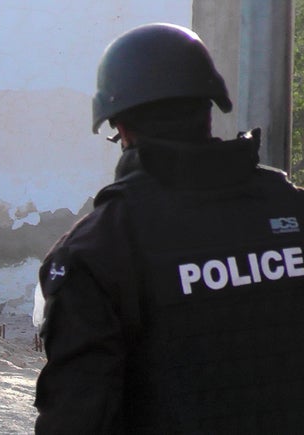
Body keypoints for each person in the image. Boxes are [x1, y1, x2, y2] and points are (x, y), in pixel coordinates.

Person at [35, 23, 304, 433]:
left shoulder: (96, 249)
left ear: (120, 127)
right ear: (209, 109)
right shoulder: (293, 207)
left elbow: (78, 416)